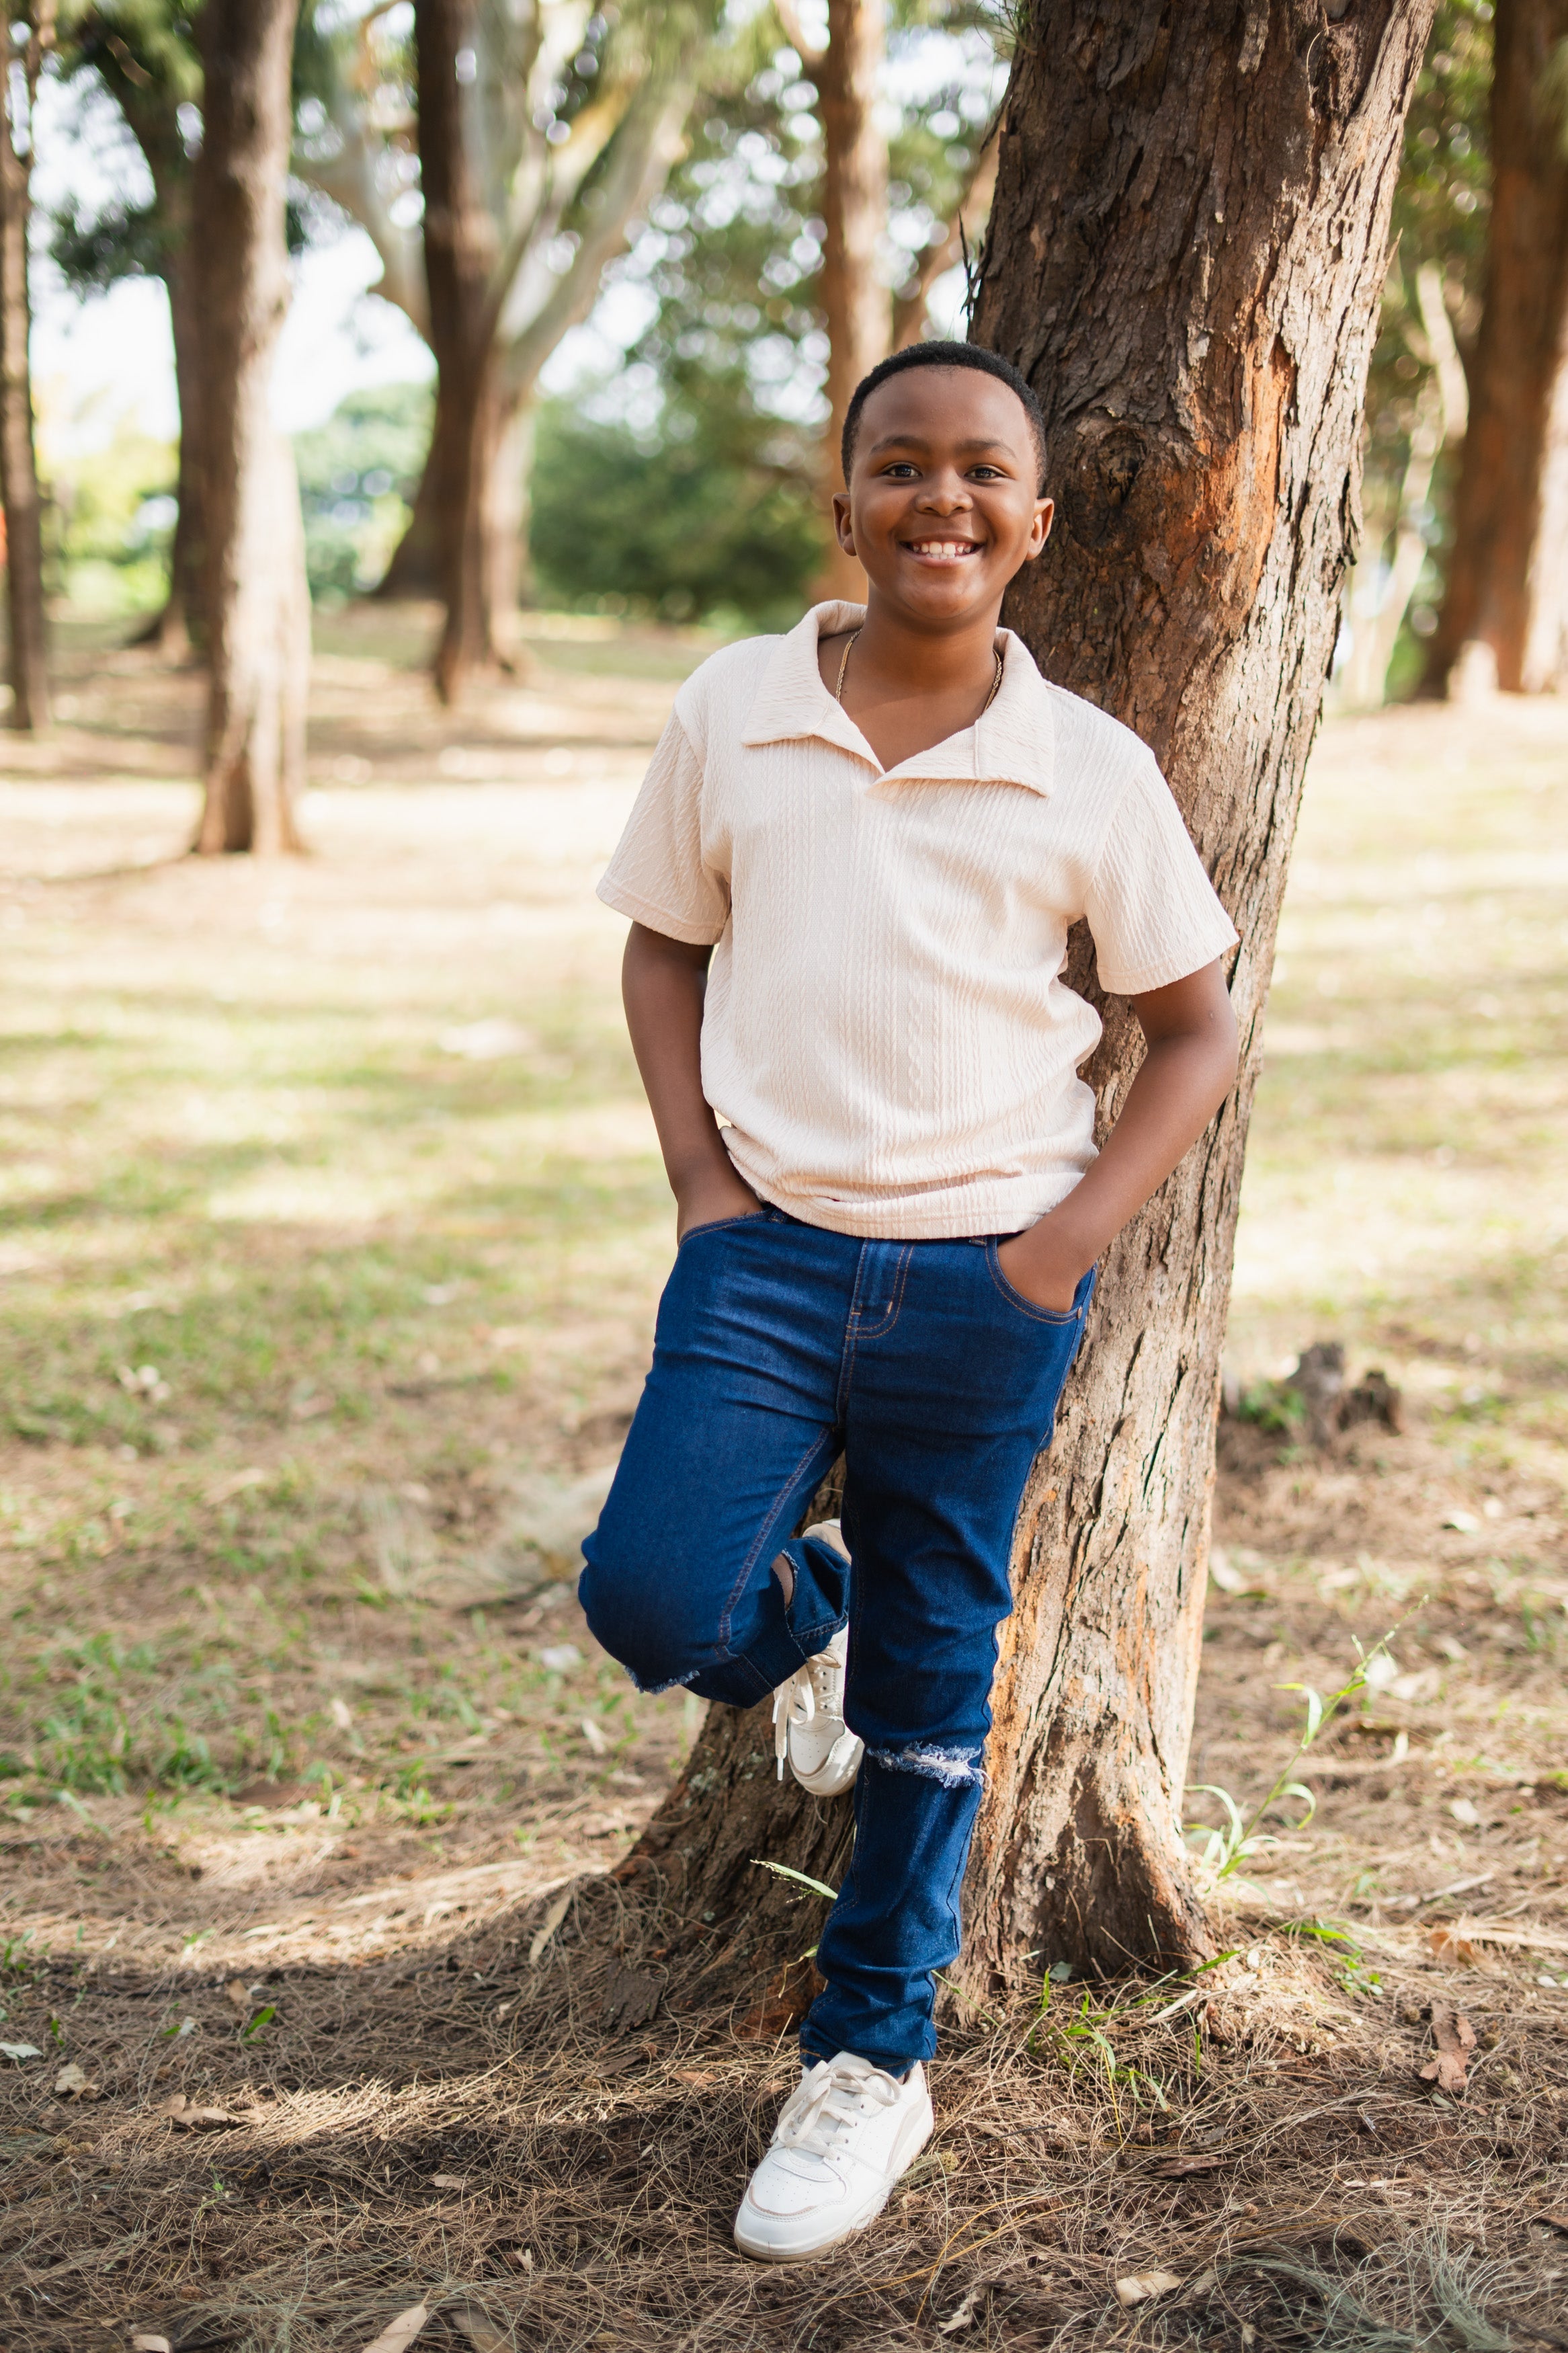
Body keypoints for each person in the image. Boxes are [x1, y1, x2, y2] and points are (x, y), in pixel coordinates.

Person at [579, 340, 1239, 2264]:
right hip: (766, 1257)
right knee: (654, 1599)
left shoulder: (1090, 766)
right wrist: (702, 1185)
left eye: (982, 473)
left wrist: (1059, 1248)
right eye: (901, 464)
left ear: (1035, 522)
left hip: (986, 1279)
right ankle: (812, 1617)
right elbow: (661, 947)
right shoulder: (736, 708)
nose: (941, 497)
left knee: (940, 1689)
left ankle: (871, 2054)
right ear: (846, 500)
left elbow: (1195, 1025)